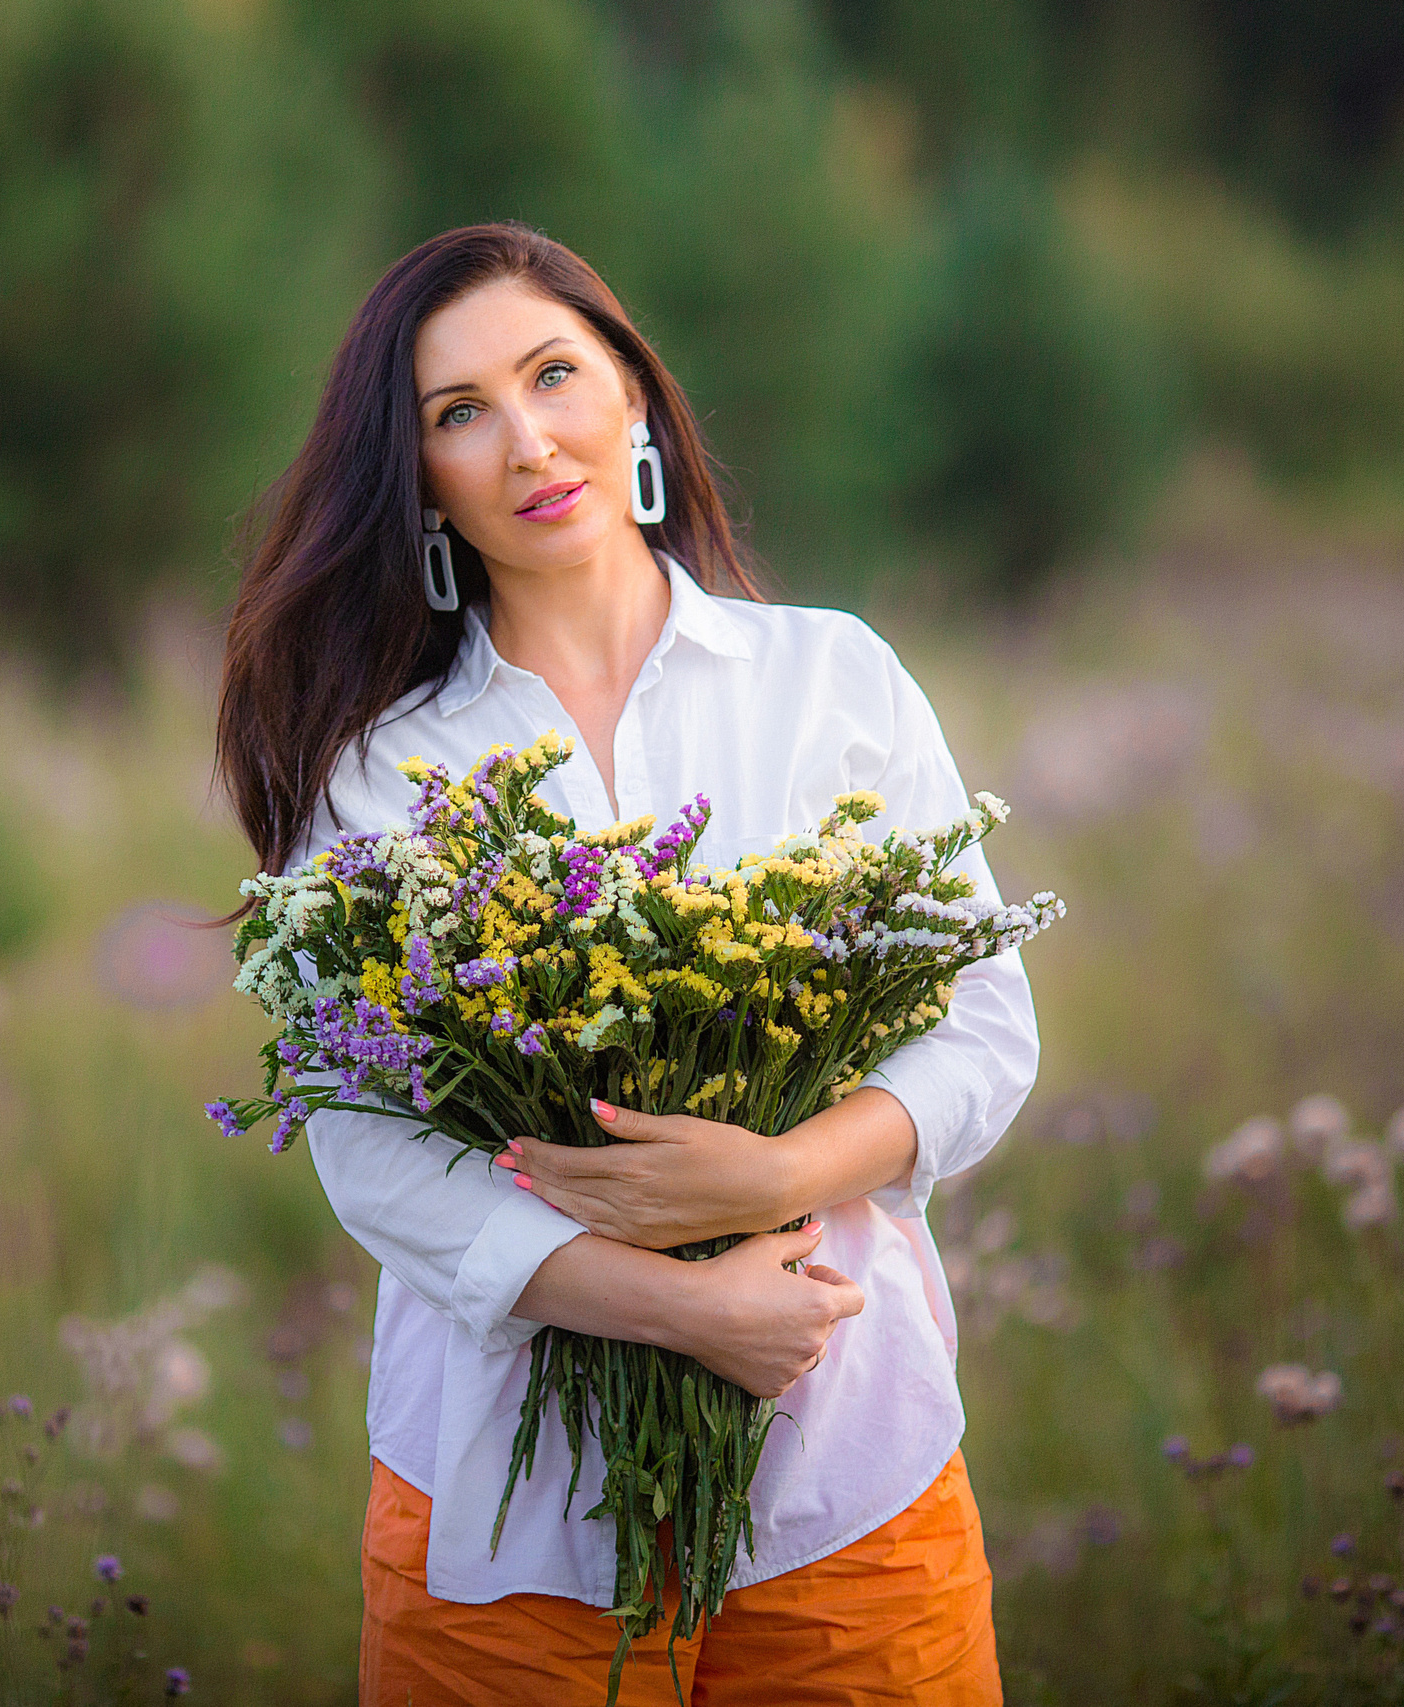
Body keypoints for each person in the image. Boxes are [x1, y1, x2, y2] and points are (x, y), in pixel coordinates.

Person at [214, 224, 1038, 1705]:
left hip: (848, 1478)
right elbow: (366, 1144)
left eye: (554, 375)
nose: (528, 440)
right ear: (422, 484)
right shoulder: (381, 771)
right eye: (460, 414)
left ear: (636, 399)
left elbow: (982, 1029)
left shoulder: (830, 678)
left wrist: (773, 1179)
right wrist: (679, 1307)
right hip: (504, 1524)